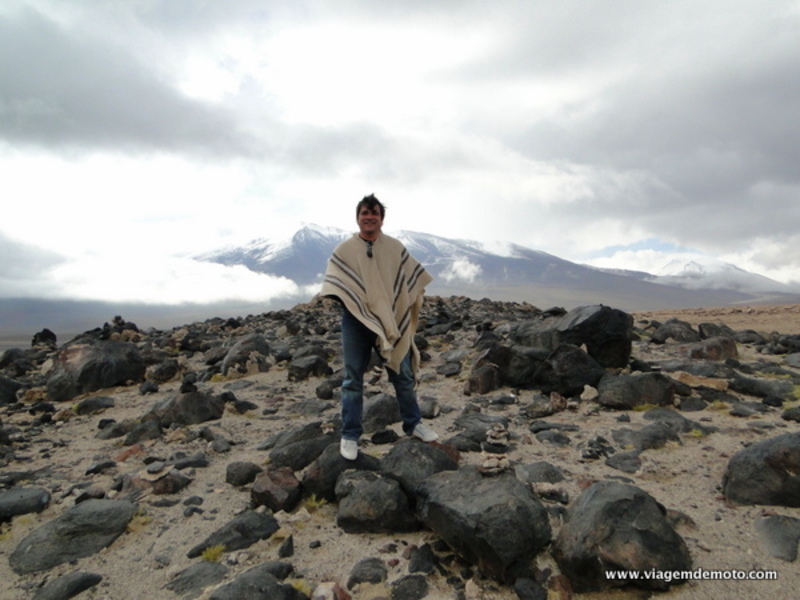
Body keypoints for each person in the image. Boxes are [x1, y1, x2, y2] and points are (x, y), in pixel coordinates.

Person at [321, 194, 438, 460]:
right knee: (352, 379)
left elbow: (412, 280)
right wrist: (354, 303)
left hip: (391, 320)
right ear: (358, 217)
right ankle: (350, 435)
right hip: (356, 319)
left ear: (382, 219)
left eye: (374, 213)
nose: (369, 217)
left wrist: (404, 304)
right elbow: (335, 282)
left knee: (402, 372)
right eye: (364, 213)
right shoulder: (345, 250)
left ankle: (414, 423)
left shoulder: (395, 248)